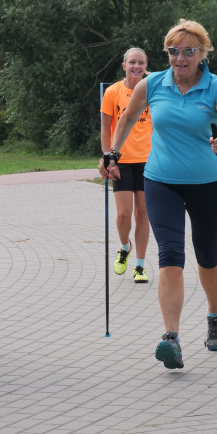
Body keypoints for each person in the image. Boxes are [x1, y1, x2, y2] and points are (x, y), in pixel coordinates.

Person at [105, 19, 217, 369]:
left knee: (207, 254)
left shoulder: (216, 88)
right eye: (173, 51)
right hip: (161, 180)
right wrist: (113, 152)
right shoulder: (153, 85)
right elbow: (125, 118)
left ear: (202, 53)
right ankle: (172, 337)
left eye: (188, 52)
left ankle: (214, 315)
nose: (180, 58)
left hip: (209, 182)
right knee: (169, 252)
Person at [98, 47, 153, 284]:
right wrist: (108, 158)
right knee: (123, 214)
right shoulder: (112, 92)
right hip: (121, 160)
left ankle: (139, 266)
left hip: (148, 161)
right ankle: (124, 246)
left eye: (141, 63)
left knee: (143, 214)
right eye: (132, 62)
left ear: (145, 66)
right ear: (124, 66)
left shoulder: (153, 90)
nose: (137, 66)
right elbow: (105, 129)